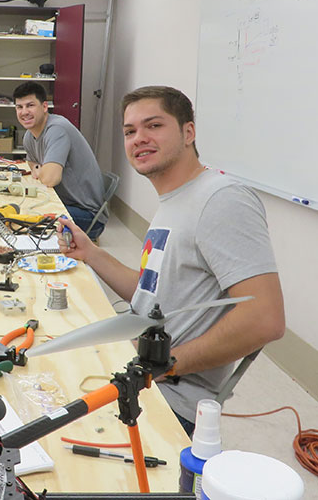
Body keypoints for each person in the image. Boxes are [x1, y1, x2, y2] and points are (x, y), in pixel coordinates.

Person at [57, 86, 285, 435]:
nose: (139, 138)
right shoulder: (175, 201)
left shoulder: (221, 200)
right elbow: (151, 294)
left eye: (154, 126)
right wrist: (90, 253)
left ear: (188, 132)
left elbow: (265, 319)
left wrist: (165, 365)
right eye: (130, 131)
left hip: (168, 398)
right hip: (141, 370)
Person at [13, 81, 107, 239]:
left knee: (23, 221)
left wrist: (41, 171)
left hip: (87, 215)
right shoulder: (29, 135)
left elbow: (50, 179)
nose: (24, 112)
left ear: (44, 107)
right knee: (17, 210)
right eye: (19, 107)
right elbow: (32, 165)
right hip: (61, 203)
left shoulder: (57, 129)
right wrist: (41, 169)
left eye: (30, 105)